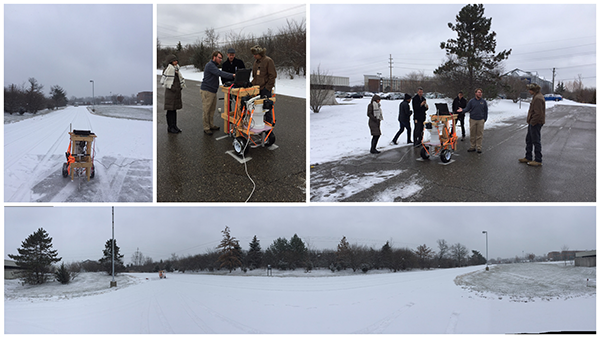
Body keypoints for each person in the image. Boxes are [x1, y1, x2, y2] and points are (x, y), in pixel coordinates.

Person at [200, 51, 235, 135]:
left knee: (212, 110)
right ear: (214, 57)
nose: (220, 60)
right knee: (207, 110)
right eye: (219, 58)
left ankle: (211, 125)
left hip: (212, 91)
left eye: (221, 58)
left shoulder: (214, 66)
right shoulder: (210, 65)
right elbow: (220, 73)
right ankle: (206, 127)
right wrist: (233, 76)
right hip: (207, 91)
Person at [519, 83, 545, 166]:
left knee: (535, 141)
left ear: (534, 90)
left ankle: (538, 159)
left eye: (530, 90)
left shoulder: (538, 98)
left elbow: (538, 113)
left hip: (536, 123)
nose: (529, 91)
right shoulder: (536, 96)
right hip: (533, 122)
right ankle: (528, 157)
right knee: (529, 140)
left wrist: (533, 122)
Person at [458, 88, 488, 153]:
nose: (480, 94)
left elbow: (486, 111)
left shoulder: (483, 102)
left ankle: (479, 147)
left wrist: (484, 119)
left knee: (479, 134)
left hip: (480, 120)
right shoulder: (471, 101)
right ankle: (472, 147)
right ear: (475, 93)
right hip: (473, 120)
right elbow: (467, 108)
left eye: (481, 92)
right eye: (479, 92)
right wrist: (462, 110)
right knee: (472, 134)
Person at [161, 54, 185, 133]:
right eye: (174, 60)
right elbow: (166, 82)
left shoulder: (176, 69)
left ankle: (174, 126)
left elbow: (178, 80)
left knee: (174, 110)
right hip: (170, 93)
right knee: (170, 111)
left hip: (176, 93)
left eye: (176, 60)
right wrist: (174, 88)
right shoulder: (168, 70)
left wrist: (180, 86)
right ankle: (170, 127)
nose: (176, 61)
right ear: (170, 62)